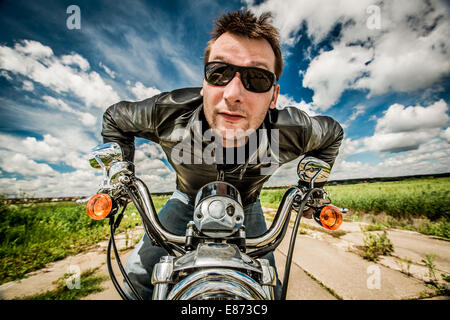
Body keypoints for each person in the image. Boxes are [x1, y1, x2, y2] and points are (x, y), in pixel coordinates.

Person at [101, 9, 344, 300]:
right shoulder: (166, 111)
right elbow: (115, 118)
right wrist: (120, 176)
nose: (233, 93)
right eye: (219, 73)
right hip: (186, 199)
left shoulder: (292, 130)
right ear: (204, 85)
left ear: (274, 96)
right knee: (136, 278)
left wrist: (312, 190)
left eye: (256, 78)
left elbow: (332, 133)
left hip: (248, 204)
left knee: (269, 289)